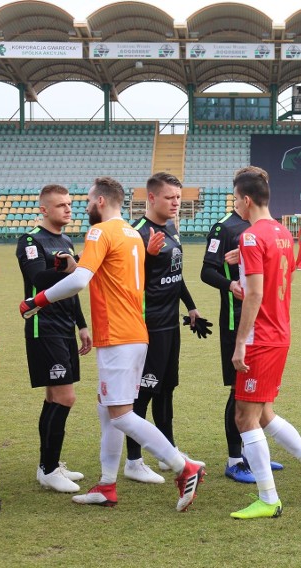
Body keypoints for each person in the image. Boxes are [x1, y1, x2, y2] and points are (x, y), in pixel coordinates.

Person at [19, 176, 204, 511]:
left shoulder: (99, 231)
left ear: (101, 201)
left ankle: (183, 467)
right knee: (108, 410)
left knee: (120, 414)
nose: (85, 206)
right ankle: (106, 485)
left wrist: (37, 301)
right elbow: (104, 274)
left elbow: (78, 282)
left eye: (88, 200)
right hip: (134, 333)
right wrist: (74, 267)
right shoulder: (133, 234)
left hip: (117, 336)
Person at [229, 168, 301, 519]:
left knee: (245, 417)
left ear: (245, 199)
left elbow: (256, 292)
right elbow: (271, 274)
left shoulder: (250, 236)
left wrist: (241, 342)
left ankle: (268, 498)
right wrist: (241, 261)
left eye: (234, 198)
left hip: (261, 337)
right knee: (264, 413)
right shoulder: (282, 234)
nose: (234, 205)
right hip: (280, 332)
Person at [201, 166, 283, 484]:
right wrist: (229, 285)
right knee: (238, 391)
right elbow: (207, 271)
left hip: (265, 324)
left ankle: (252, 454)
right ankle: (236, 459)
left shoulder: (263, 227)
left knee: (260, 394)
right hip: (238, 321)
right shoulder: (225, 227)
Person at [123, 173, 206, 484]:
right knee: (143, 391)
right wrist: (146, 256)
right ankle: (133, 460)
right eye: (170, 197)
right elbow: (125, 281)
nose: (175, 203)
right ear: (152, 198)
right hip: (148, 326)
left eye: (178, 198)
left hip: (171, 324)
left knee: (167, 388)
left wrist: (191, 306)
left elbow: (176, 274)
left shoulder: (171, 228)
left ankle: (167, 452)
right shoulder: (137, 235)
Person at [16, 184, 92, 493]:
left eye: (70, 204)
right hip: (43, 326)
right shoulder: (30, 241)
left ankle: (48, 464)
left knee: (53, 397)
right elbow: (38, 279)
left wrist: (82, 325)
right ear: (44, 209)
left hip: (64, 326)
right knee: (65, 397)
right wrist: (71, 270)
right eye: (61, 205)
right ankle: (49, 469)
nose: (68, 209)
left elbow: (72, 288)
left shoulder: (64, 239)